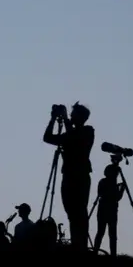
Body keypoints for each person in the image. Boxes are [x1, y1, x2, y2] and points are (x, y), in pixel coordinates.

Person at [43, 102, 95, 252]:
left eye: (73, 114)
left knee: (79, 211)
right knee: (71, 212)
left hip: (80, 176)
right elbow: (47, 138)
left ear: (81, 117)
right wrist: (52, 120)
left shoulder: (88, 131)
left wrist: (65, 119)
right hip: (68, 176)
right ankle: (76, 244)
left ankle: (81, 245)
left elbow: (75, 138)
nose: (71, 117)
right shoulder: (69, 133)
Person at [92, 164, 125, 256]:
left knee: (103, 233)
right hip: (110, 210)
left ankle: (97, 251)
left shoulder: (103, 182)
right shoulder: (107, 183)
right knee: (109, 234)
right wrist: (121, 189)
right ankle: (112, 254)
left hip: (106, 209)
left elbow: (103, 194)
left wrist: (119, 188)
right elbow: (116, 197)